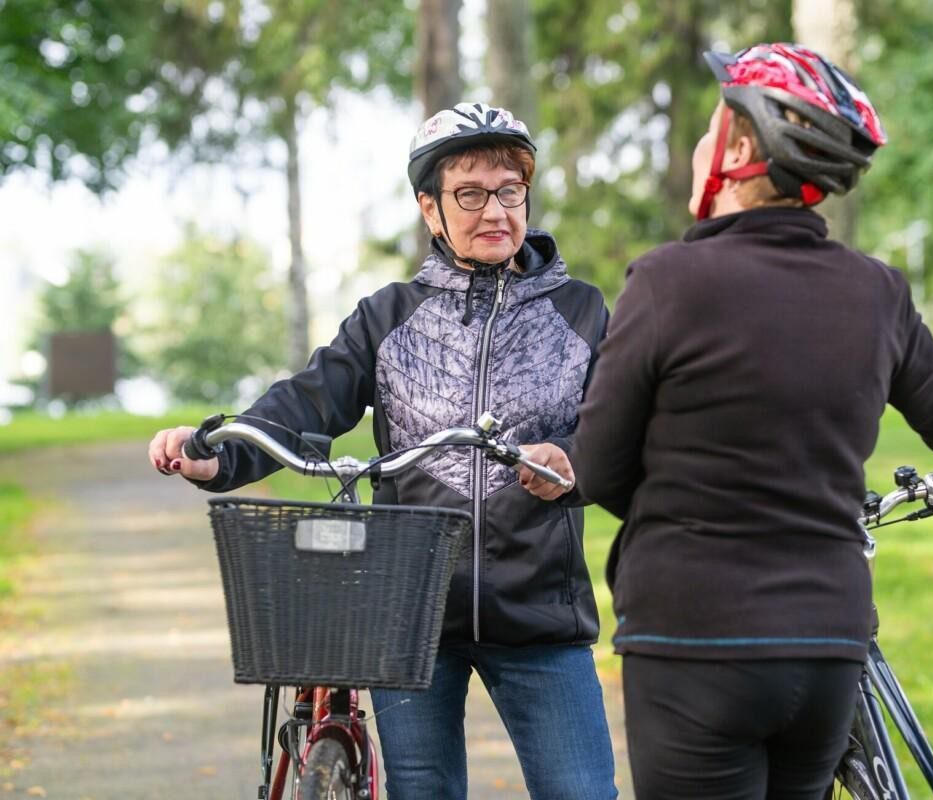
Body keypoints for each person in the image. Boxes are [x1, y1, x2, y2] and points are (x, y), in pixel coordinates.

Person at [572, 44, 933, 799]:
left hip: (695, 643)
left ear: (743, 148)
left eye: (713, 124)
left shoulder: (667, 283)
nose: (701, 143)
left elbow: (596, 467)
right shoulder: (876, 291)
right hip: (827, 647)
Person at [148, 102, 617, 800]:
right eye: (470, 193)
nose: (495, 210)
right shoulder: (389, 316)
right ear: (431, 210)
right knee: (421, 788)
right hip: (410, 610)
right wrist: (218, 454)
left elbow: (618, 429)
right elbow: (307, 402)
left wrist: (574, 461)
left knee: (581, 793)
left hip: (540, 611)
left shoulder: (580, 312)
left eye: (509, 190)